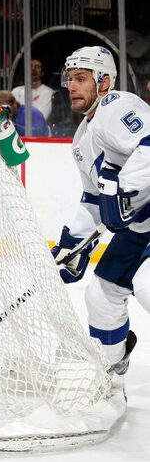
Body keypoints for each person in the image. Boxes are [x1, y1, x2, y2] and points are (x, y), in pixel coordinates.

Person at [51, 46, 147, 392]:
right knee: (101, 295)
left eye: (81, 79)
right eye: (69, 79)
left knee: (148, 286)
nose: (71, 86)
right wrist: (71, 244)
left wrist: (123, 190)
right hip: (137, 231)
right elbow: (93, 199)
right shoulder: (81, 140)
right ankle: (112, 376)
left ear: (104, 82)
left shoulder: (117, 106)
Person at [11, 58, 55, 123]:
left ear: (42, 73)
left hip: (41, 132)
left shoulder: (50, 93)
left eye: (37, 67)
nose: (33, 69)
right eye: (30, 66)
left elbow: (41, 118)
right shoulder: (16, 91)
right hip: (19, 132)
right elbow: (10, 116)